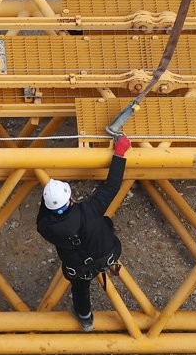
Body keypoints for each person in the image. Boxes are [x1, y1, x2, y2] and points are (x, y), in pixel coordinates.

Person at [37, 134, 130, 332]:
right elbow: (112, 186)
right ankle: (111, 266)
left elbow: (43, 216)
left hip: (78, 269)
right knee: (105, 222)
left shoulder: (46, 228)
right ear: (70, 199)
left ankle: (85, 318)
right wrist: (120, 153)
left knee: (80, 289)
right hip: (109, 253)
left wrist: (47, 198)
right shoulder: (89, 210)